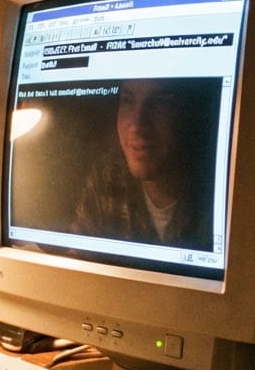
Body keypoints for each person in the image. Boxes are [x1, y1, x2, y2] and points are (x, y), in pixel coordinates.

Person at [72, 78, 219, 250]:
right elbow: (77, 260)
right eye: (128, 101)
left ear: (191, 112)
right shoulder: (108, 176)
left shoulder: (218, 193)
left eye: (161, 103)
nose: (137, 126)